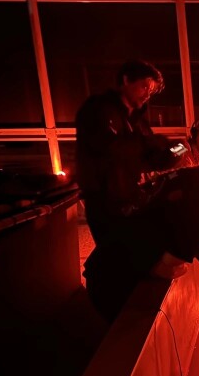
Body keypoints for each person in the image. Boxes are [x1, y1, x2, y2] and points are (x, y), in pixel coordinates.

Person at [84, 163, 199, 321]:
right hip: (112, 286)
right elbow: (165, 270)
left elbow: (187, 239)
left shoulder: (195, 193)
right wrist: (181, 268)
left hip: (102, 261)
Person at [75, 59, 177, 245]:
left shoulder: (137, 121)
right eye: (144, 87)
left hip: (130, 200)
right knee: (116, 256)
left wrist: (177, 150)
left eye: (151, 91)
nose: (147, 94)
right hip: (105, 203)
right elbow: (109, 148)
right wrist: (151, 142)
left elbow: (149, 160)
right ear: (126, 79)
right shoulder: (98, 109)